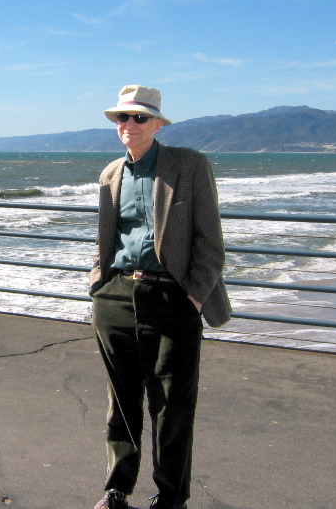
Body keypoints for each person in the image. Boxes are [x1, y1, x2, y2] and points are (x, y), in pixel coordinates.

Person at [89, 85, 231, 509]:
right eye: (122, 118)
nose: (128, 125)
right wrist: (99, 284)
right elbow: (106, 237)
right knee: (121, 400)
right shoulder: (111, 173)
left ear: (156, 123)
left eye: (138, 118)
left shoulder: (188, 165)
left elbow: (211, 241)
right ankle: (116, 489)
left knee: (172, 405)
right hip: (115, 296)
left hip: (172, 297)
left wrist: (194, 296)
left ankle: (171, 497)